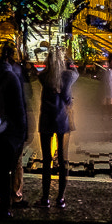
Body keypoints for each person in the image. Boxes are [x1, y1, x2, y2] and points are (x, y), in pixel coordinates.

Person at [0, 40, 28, 219]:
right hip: (10, 131)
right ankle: (3, 208)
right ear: (11, 57)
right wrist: (23, 132)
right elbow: (19, 108)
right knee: (5, 170)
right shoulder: (11, 76)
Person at [37, 45, 76, 210]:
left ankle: (45, 198)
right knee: (62, 159)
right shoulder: (67, 77)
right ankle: (60, 197)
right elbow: (75, 75)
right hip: (62, 121)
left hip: (46, 120)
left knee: (47, 160)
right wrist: (68, 57)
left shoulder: (44, 76)